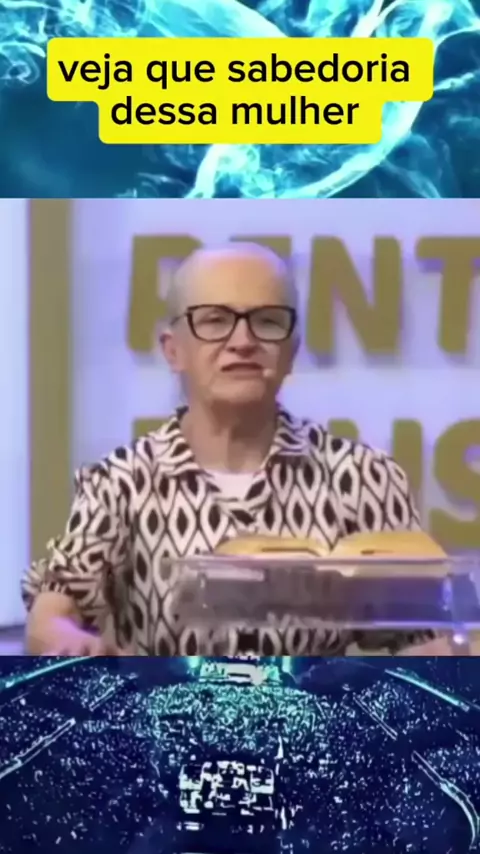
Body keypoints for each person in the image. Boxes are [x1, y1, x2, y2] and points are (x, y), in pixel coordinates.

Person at [23, 243, 448, 657]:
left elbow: (421, 638)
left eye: (267, 321)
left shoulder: (364, 476)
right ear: (173, 350)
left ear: (292, 350)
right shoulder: (119, 482)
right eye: (215, 320)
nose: (242, 340)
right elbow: (53, 613)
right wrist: (67, 641)